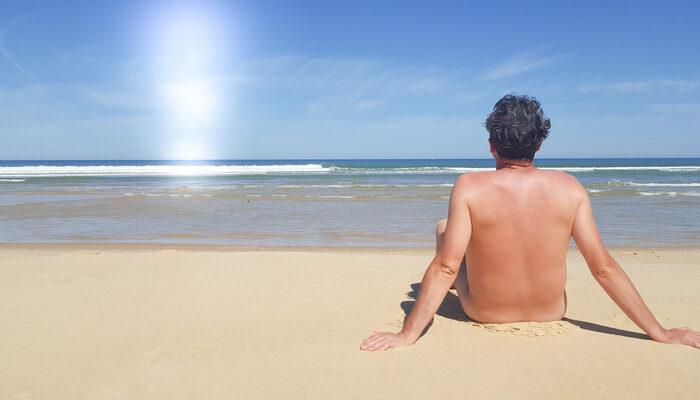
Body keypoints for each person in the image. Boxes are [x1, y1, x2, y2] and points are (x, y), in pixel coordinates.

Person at [360, 94, 700, 351]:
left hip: (484, 311)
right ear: (538, 144)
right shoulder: (570, 187)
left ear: (491, 146)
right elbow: (603, 268)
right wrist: (661, 332)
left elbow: (447, 267)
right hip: (552, 311)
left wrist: (406, 334)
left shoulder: (469, 186)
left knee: (443, 229)